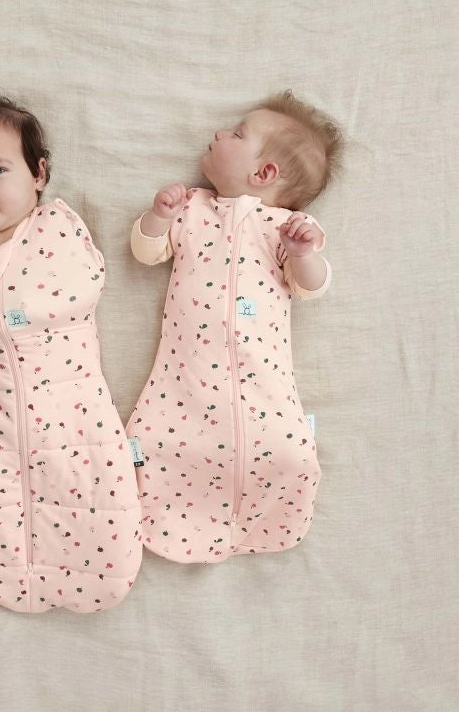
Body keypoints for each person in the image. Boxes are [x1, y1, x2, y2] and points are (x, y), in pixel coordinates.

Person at [0, 90, 141, 612]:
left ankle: (85, 574)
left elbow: (81, 287)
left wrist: (13, 308)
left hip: (72, 405)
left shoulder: (57, 228)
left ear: (39, 174)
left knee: (83, 491)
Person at [126, 91, 343, 563]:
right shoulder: (192, 209)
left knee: (288, 452)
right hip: (187, 378)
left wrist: (303, 254)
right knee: (163, 439)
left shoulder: (287, 228)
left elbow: (312, 287)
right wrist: (158, 217)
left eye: (237, 134)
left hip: (264, 384)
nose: (219, 133)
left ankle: (266, 517)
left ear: (263, 173)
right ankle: (173, 517)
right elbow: (146, 252)